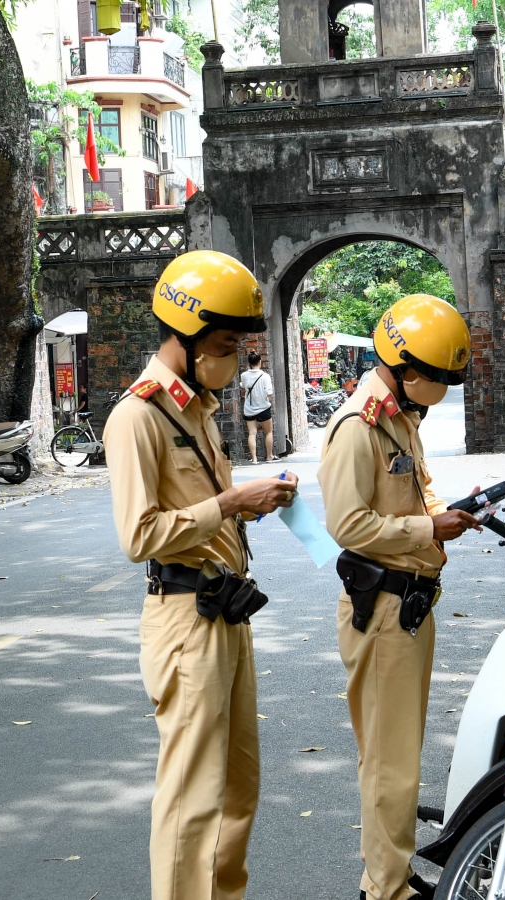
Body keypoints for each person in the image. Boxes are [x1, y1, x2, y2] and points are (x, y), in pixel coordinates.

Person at [105, 249, 299, 900]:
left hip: (227, 613)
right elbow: (139, 535)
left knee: (238, 787)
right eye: (224, 345)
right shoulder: (138, 417)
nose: (233, 358)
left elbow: (206, 509)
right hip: (186, 622)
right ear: (184, 336)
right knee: (192, 797)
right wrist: (228, 504)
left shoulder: (198, 408)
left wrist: (254, 500)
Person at [318, 294, 481, 900]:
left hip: (409, 605)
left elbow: (419, 490)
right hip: (382, 608)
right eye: (436, 376)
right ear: (402, 364)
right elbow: (348, 525)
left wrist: (449, 513)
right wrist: (426, 530)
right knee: (389, 759)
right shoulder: (358, 426)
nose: (439, 387)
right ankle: (386, 889)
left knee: (398, 754)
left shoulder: (400, 417)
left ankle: (389, 870)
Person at [238, 351, 274, 463]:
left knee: (252, 433)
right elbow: (269, 393)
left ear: (249, 363)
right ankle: (269, 456)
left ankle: (254, 458)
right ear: (260, 362)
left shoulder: (244, 376)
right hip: (263, 407)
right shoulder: (265, 376)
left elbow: (243, 386)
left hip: (249, 409)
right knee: (268, 432)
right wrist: (268, 400)